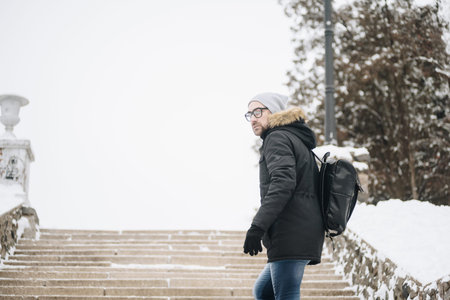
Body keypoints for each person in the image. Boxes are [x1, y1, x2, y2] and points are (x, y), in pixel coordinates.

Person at [243, 92, 325, 300]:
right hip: (299, 229)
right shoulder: (293, 137)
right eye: (249, 114)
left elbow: (283, 183)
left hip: (291, 231)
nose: (253, 118)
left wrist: (257, 227)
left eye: (258, 111)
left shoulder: (277, 137)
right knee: (263, 291)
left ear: (275, 112)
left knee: (286, 294)